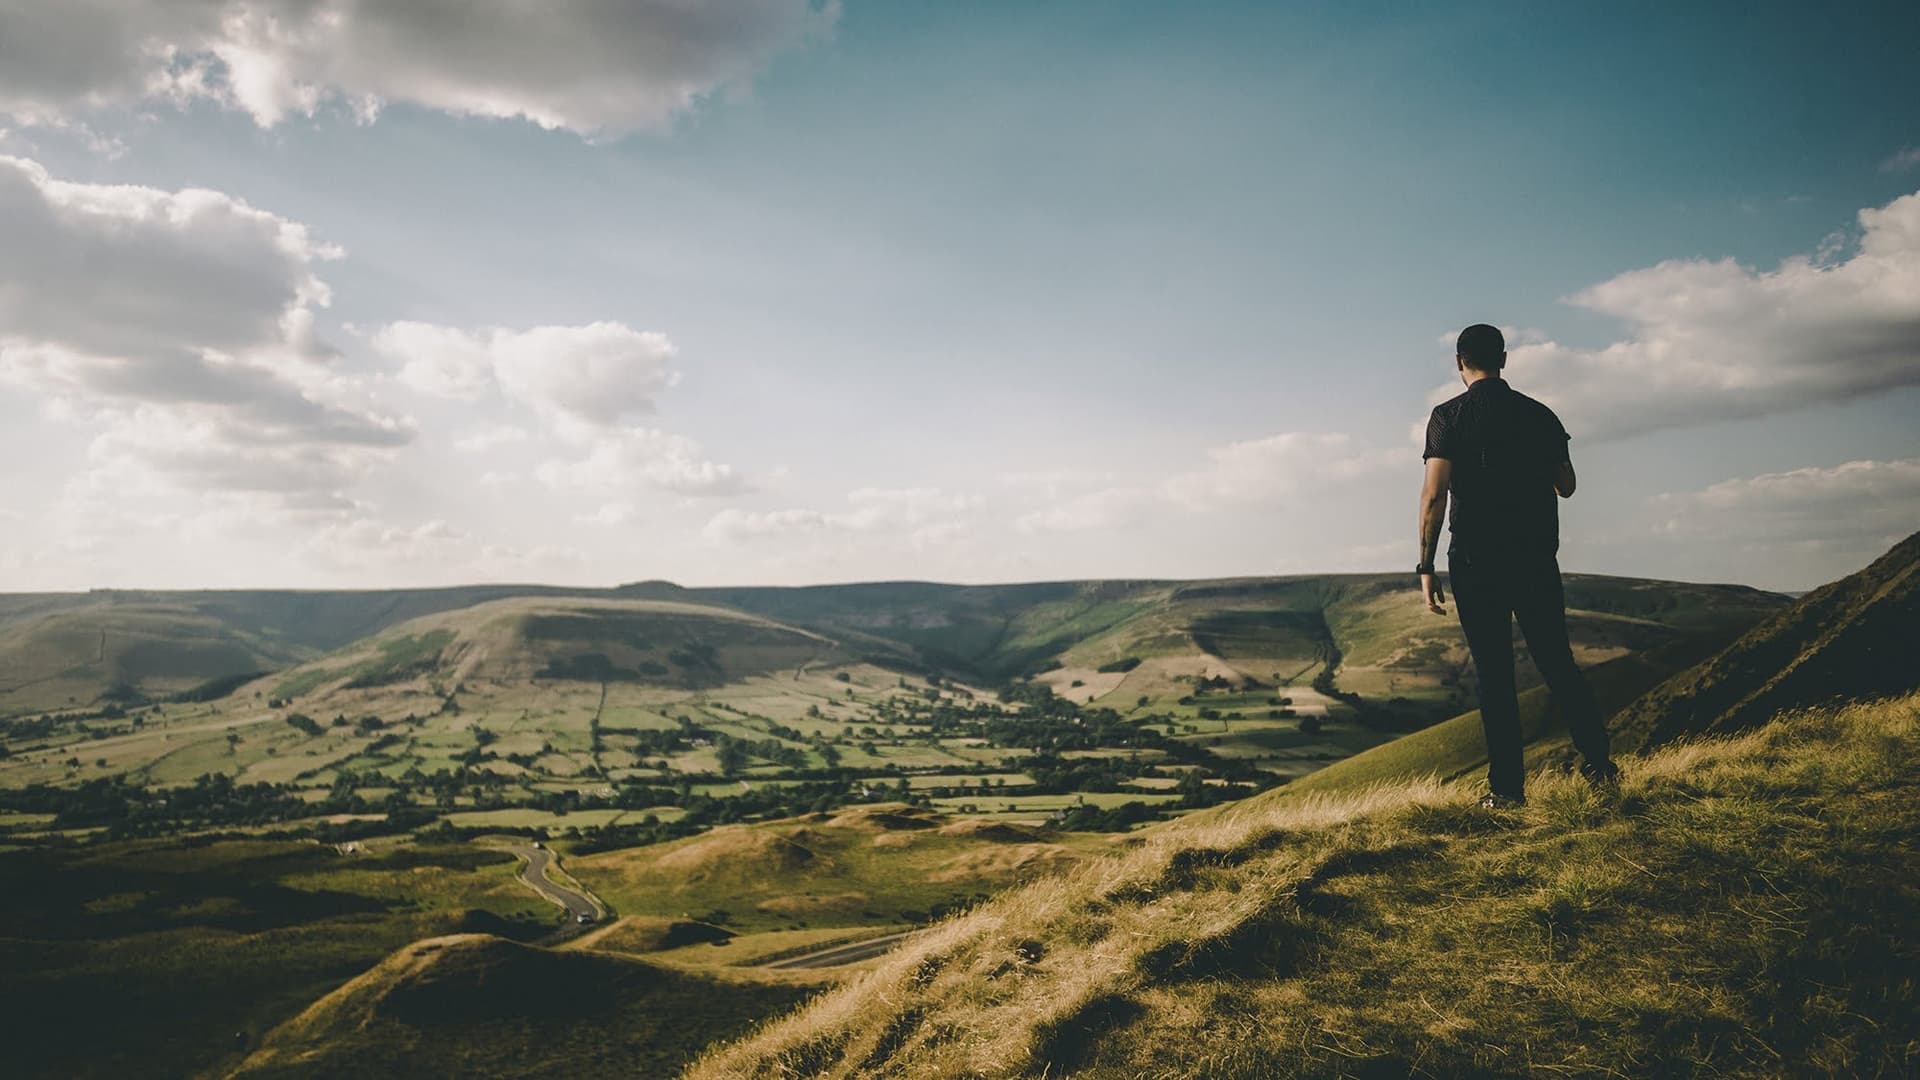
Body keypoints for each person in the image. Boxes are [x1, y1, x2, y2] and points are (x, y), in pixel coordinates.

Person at [1416, 323, 1619, 808]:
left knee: (1494, 674)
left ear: (1459, 362)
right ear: (1504, 359)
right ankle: (1601, 767)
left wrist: (1425, 565)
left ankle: (1507, 791)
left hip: (1475, 560)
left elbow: (1434, 495)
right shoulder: (1539, 414)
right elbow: (1567, 486)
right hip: (1533, 556)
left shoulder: (1447, 417)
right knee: (1558, 663)